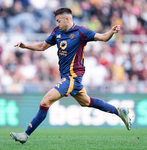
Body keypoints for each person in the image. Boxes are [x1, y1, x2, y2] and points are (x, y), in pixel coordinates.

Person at [10, 7, 132, 144]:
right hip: (67, 78)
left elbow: (103, 37)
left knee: (45, 101)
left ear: (67, 19)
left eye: (58, 21)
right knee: (86, 102)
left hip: (72, 77)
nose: (57, 24)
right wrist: (26, 46)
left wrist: (111, 32)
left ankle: (25, 134)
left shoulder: (81, 32)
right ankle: (119, 111)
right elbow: (42, 46)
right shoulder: (57, 32)